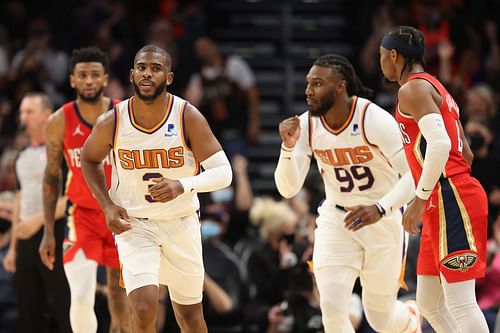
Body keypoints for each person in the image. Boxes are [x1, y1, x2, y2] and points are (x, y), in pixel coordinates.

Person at [80, 44, 233, 333]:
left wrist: (183, 185)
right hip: (135, 224)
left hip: (181, 222)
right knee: (144, 306)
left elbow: (224, 173)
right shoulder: (112, 121)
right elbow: (89, 159)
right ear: (131, 74)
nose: (147, 74)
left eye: (155, 68)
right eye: (142, 68)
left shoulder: (187, 116)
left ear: (169, 77)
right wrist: (108, 205)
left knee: (190, 316)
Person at [274, 54, 421, 333]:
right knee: (332, 312)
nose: (308, 90)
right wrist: (287, 148)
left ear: (340, 87)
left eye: (317, 83)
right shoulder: (306, 125)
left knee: (381, 319)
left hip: (382, 220)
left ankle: (412, 316)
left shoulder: (372, 118)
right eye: (307, 83)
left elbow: (415, 175)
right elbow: (288, 188)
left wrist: (380, 208)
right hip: (337, 221)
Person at [379, 25, 489, 333]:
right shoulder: (436, 88)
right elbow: (465, 152)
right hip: (445, 198)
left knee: (461, 302)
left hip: (450, 196)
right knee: (428, 302)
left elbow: (440, 146)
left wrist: (421, 199)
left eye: (381, 57)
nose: (381, 64)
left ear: (394, 55)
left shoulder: (411, 89)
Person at [38, 47, 129, 333]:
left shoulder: (124, 114)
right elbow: (52, 176)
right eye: (82, 75)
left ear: (105, 79)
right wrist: (49, 232)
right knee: (80, 295)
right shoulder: (58, 121)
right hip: (81, 216)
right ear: (72, 81)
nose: (88, 80)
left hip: (122, 214)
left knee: (120, 295)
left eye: (94, 75)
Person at [2, 93, 71, 333]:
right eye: (21, 112)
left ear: (46, 115)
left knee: (65, 307)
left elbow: (71, 198)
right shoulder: (21, 156)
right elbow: (20, 199)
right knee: (29, 311)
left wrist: (38, 221)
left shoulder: (62, 151)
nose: (23, 117)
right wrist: (12, 248)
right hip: (25, 239)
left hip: (56, 233)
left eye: (29, 111)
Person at [185, 36, 260, 157]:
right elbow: (191, 106)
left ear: (214, 47)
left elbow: (251, 92)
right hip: (214, 132)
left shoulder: (233, 65)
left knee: (238, 165)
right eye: (199, 49)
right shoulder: (198, 78)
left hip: (237, 126)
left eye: (205, 47)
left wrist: (254, 121)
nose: (203, 51)